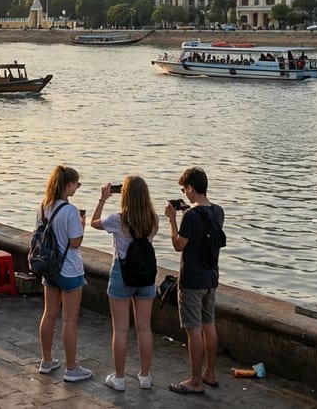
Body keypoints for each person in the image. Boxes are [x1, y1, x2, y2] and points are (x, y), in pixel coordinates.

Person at [92, 176, 157, 391]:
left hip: (122, 273)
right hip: (146, 276)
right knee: (144, 328)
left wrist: (103, 199)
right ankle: (145, 376)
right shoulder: (153, 219)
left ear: (125, 195)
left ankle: (119, 378)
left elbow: (94, 222)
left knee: (120, 329)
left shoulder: (118, 219)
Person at [165, 167, 225, 396]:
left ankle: (195, 380)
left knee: (193, 330)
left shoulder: (190, 216)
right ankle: (210, 373)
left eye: (184, 189)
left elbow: (179, 244)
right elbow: (203, 220)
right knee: (209, 325)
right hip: (211, 277)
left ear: (190, 188)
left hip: (192, 280)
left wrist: (172, 220)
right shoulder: (218, 211)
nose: (184, 192)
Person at [36, 165, 89, 382]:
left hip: (49, 267)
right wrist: (82, 225)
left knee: (49, 314)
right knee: (69, 320)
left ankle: (46, 361)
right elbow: (75, 242)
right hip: (69, 270)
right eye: (76, 183)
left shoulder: (44, 206)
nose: (77, 187)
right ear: (68, 185)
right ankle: (72, 368)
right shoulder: (70, 211)